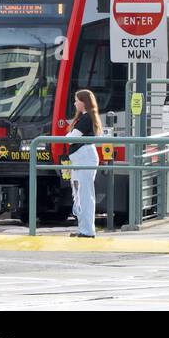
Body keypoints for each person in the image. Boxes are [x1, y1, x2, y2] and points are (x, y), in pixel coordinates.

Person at [66, 90, 102, 239]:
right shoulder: (86, 118)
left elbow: (71, 138)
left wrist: (68, 135)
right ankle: (84, 228)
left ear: (83, 102)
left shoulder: (86, 118)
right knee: (80, 194)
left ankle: (87, 231)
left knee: (85, 194)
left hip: (85, 158)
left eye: (76, 100)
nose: (75, 103)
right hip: (81, 158)